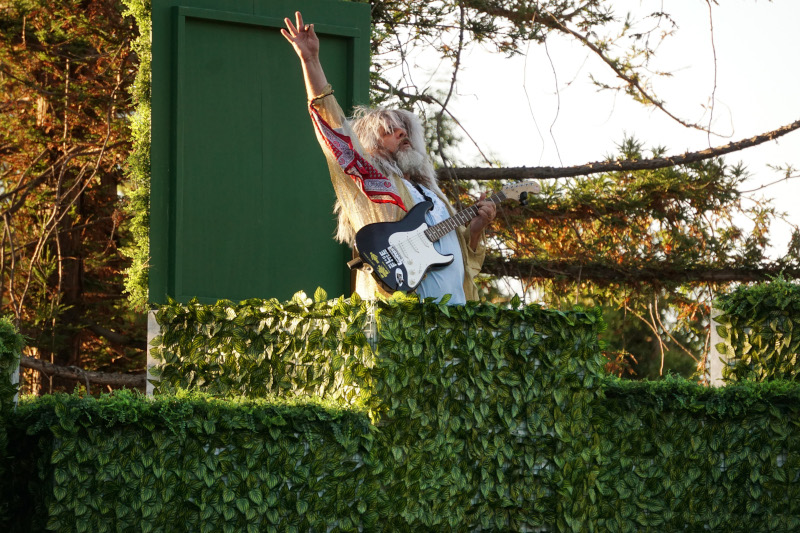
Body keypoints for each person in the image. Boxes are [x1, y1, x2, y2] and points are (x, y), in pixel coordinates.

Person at [282, 12, 496, 304]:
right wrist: (311, 61)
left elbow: (466, 263)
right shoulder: (373, 184)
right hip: (399, 326)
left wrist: (474, 231)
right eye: (389, 130)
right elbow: (336, 132)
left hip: (454, 326)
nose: (401, 133)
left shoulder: (435, 197)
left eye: (405, 129)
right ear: (370, 145)